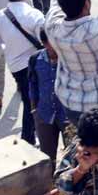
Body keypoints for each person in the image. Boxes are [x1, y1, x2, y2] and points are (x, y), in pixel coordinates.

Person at [0, 0, 44, 145]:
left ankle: (31, 135)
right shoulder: (35, 14)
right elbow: (45, 39)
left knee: (28, 99)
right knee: (33, 101)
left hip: (16, 67)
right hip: (37, 63)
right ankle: (29, 137)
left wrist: (9, 53)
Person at [27, 29, 69, 166]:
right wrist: (34, 110)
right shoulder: (35, 60)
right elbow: (32, 84)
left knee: (73, 156)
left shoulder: (71, 59)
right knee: (47, 157)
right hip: (44, 115)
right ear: (44, 43)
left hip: (68, 117)